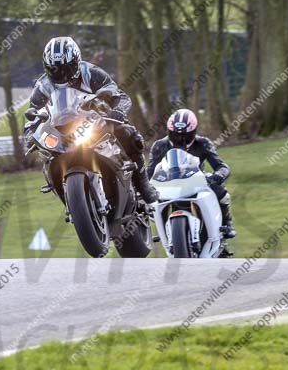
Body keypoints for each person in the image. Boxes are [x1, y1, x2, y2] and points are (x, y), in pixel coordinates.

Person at [24, 36, 159, 204]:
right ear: (47, 67)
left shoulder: (91, 73)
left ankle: (142, 183)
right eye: (55, 69)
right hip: (60, 131)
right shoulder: (42, 86)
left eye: (66, 68)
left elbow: (119, 95)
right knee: (47, 156)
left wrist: (117, 110)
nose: (62, 74)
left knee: (129, 134)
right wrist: (30, 135)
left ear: (76, 61)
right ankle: (69, 199)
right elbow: (32, 115)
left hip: (93, 121)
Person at [147, 108, 236, 238]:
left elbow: (222, 166)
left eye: (185, 135)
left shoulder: (203, 143)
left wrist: (217, 176)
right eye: (176, 134)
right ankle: (162, 229)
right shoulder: (159, 146)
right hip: (168, 182)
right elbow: (150, 171)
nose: (181, 138)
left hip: (196, 181)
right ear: (169, 131)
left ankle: (227, 223)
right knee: (149, 202)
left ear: (194, 131)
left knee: (221, 191)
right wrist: (145, 187)